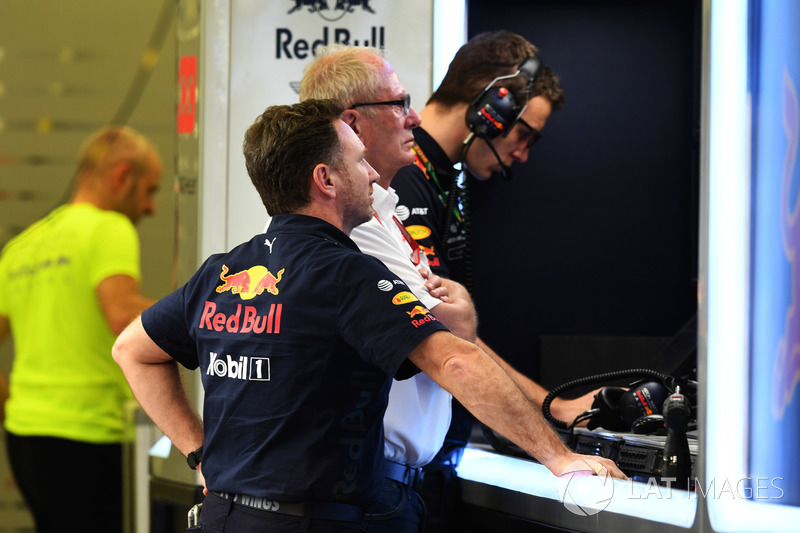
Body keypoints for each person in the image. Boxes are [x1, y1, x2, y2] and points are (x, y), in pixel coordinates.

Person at [113, 99, 625, 533]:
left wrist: (199, 453)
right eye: (360, 162)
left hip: (223, 516)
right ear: (326, 179)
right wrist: (560, 458)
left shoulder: (221, 272)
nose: (374, 173)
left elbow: (132, 349)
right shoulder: (344, 273)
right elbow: (457, 364)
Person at [298, 44, 604, 531]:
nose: (412, 118)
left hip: (389, 480)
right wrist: (555, 435)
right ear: (492, 105)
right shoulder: (363, 214)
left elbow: (445, 327)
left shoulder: (392, 200)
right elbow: (447, 350)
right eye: (399, 105)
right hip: (370, 485)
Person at [389, 31, 569, 531]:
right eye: (525, 133)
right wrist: (554, 407)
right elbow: (445, 336)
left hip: (426, 458)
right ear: (491, 107)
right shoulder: (404, 181)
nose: (524, 153)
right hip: (396, 468)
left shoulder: (445, 179)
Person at [0, 125, 163, 533]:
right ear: (122, 175)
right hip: (87, 439)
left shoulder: (24, 245)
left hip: (25, 437)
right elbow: (120, 311)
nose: (150, 207)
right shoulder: (108, 228)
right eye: (150, 190)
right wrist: (206, 310)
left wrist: (14, 402)